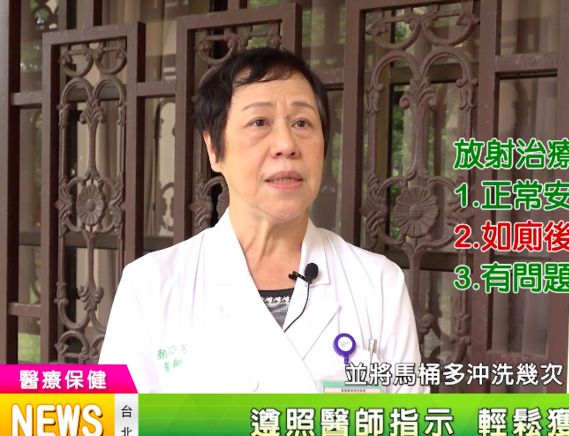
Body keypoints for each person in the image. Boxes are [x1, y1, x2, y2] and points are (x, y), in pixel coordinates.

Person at [99, 47, 425, 393]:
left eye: (302, 123)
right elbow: (116, 422)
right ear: (214, 149)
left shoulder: (378, 284)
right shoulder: (151, 285)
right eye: (259, 122)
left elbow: (407, 421)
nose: (286, 144)